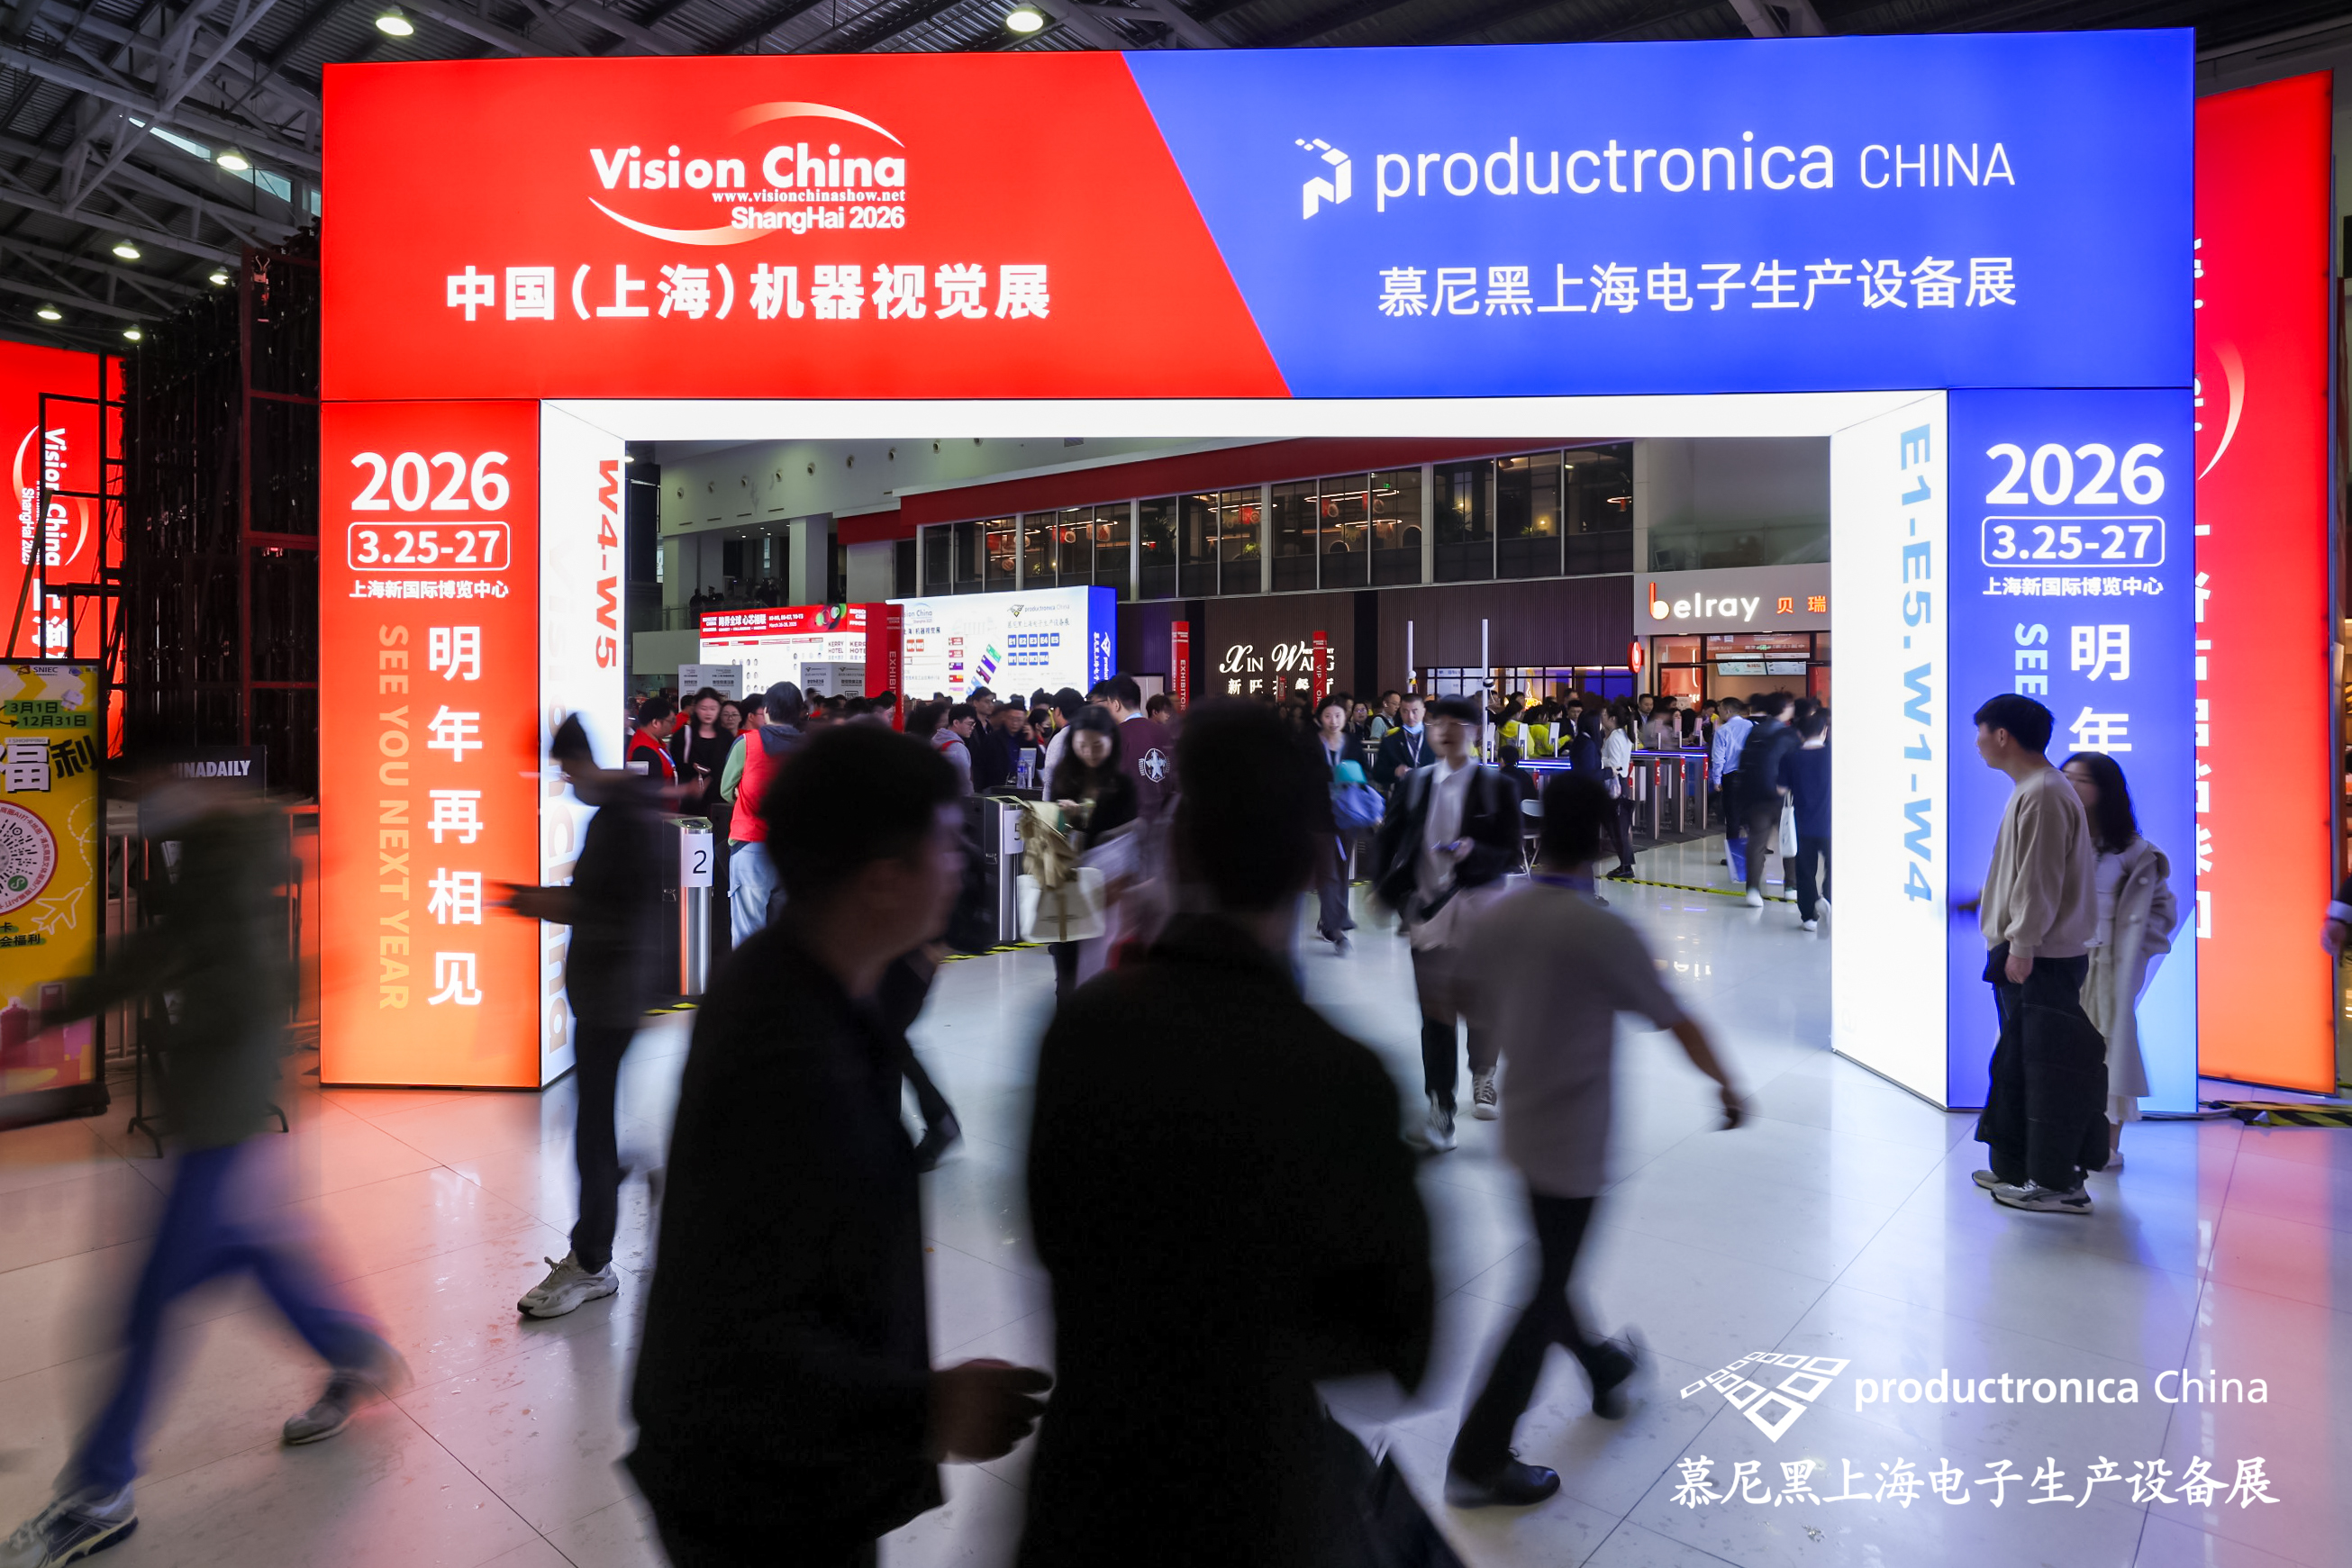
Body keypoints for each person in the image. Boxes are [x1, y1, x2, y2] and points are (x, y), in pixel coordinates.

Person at [1017, 700, 1433, 1568]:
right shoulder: (1340, 1076)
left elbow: (1055, 1233)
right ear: (1312, 858)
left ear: (1177, 844)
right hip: (1256, 1496)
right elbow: (1402, 1340)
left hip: (1089, 1486)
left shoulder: (1083, 1034)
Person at [630, 723, 1052, 1568]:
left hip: (800, 1465)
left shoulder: (802, 973)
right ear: (882, 878)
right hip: (758, 1494)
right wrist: (930, 1408)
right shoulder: (783, 1050)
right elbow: (747, 1321)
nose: (962, 863)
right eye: (946, 843)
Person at [1, 788, 401, 1568]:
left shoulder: (215, 878)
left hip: (220, 1118)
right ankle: (354, 1348)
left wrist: (57, 1019)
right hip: (219, 1113)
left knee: (147, 1306)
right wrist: (49, 1019)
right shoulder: (219, 874)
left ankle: (100, 1491)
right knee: (244, 1251)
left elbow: (213, 976)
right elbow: (162, 961)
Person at [1445, 772, 1745, 1509]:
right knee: (1545, 1289)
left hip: (1521, 1128)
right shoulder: (1599, 928)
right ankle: (1477, 1459)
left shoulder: (1501, 912)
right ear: (1604, 834)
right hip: (1574, 1141)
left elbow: (1456, 994)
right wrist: (1728, 1086)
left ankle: (1606, 1369)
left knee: (1554, 1267)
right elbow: (1675, 1018)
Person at [506, 715, 671, 1319]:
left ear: (581, 761)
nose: (565, 781)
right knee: (595, 1122)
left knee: (592, 1130)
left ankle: (593, 1261)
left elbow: (595, 905)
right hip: (616, 990)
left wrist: (531, 900)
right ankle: (625, 1180)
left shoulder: (618, 821)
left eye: (565, 769)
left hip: (609, 992)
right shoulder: (632, 811)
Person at [1967, 693, 2103, 1216]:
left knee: (2048, 1070)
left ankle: (2057, 1180)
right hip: (2029, 950)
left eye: (1982, 732)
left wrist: (2022, 945)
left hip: (2041, 956)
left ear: (2002, 735)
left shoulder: (2044, 792)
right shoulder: (2035, 788)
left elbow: (2040, 880)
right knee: (2021, 1064)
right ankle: (2022, 1166)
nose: (1978, 743)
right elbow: (2027, 873)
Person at [1373, 695, 1521, 1147]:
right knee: (1435, 1013)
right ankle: (1441, 1106)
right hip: (1429, 914)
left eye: (1457, 723)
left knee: (1482, 1001)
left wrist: (1475, 851)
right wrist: (1388, 894)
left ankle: (1484, 1073)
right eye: (1438, 723)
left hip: (1480, 912)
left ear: (1475, 732)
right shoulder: (1416, 784)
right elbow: (1389, 842)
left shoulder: (1496, 786)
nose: (1445, 730)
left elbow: (1511, 852)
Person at [2062, 752, 2176, 1172]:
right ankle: (2065, 1140)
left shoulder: (2134, 850)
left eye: (2082, 779)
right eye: (2066, 776)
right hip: (2062, 960)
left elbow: (2163, 909)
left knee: (2111, 1055)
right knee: (2061, 1053)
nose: (2071, 786)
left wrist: (2137, 953)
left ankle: (2107, 1146)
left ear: (2105, 789)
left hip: (2107, 966)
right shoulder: (2058, 837)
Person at [1042, 705, 1140, 1002]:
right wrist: (1064, 819)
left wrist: (1083, 816)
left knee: (1102, 973)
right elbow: (1051, 834)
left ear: (1111, 741)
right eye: (1082, 744)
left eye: (1097, 745)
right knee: (1068, 972)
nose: (1089, 752)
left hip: (1108, 892)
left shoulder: (1122, 786)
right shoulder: (1064, 778)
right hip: (1069, 890)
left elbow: (1127, 838)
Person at [719, 681, 804, 944]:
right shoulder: (811, 747)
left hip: (751, 844)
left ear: (766, 710)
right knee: (787, 934)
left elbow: (726, 789)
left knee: (748, 933)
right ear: (799, 712)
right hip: (795, 849)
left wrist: (742, 793)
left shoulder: (746, 743)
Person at [1735, 692, 1798, 906]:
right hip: (1783, 797)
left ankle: (1753, 890)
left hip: (1756, 796)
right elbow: (1794, 765)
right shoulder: (1789, 734)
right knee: (1789, 840)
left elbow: (1743, 761)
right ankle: (1791, 887)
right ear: (1784, 708)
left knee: (1756, 843)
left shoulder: (1755, 731)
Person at [1310, 692, 1360, 953]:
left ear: (1345, 716)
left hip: (1347, 817)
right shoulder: (1309, 744)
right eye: (1328, 715)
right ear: (1319, 718)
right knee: (1327, 871)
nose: (1333, 720)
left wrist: (1353, 779)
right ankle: (1337, 928)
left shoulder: (1352, 743)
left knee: (1341, 871)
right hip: (1318, 817)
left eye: (1338, 715)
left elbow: (1365, 774)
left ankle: (1329, 920)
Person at [1090, 675, 1175, 820]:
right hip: (1165, 819)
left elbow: (1110, 786)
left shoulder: (1116, 735)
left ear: (1116, 704)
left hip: (1131, 821)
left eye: (1108, 703)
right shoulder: (1164, 732)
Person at [1784, 707, 1831, 931]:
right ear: (1825, 731)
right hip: (1831, 823)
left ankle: (1809, 917)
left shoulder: (1791, 757)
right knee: (1834, 867)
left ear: (1800, 733)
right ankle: (1828, 899)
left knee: (1804, 871)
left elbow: (1781, 789)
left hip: (1802, 823)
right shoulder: (1834, 756)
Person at [1598, 704, 1638, 880]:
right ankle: (1625, 865)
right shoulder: (1622, 735)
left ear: (1613, 718)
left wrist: (1598, 760)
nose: (1602, 718)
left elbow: (1615, 763)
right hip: (1621, 783)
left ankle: (1625, 866)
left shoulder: (1615, 737)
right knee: (1619, 827)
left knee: (1617, 827)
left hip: (1615, 784)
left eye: (1604, 714)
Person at [1371, 691, 1429, 791]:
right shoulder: (1390, 741)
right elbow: (1378, 774)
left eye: (1415, 711)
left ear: (1423, 711)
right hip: (1402, 795)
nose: (1410, 716)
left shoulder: (1436, 738)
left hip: (1431, 795)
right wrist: (1395, 772)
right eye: (1405, 711)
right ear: (1400, 712)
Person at [629, 693, 681, 781]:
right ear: (655, 723)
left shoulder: (654, 741)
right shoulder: (643, 752)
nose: (673, 726)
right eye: (671, 721)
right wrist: (687, 788)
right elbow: (649, 787)